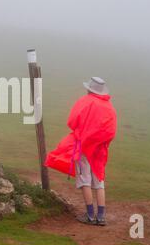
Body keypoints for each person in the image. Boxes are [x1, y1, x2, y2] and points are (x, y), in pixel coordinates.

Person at [45, 77, 117, 226]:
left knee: (85, 179)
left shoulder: (85, 101)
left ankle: (90, 215)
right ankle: (101, 216)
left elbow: (72, 121)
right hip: (100, 149)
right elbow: (111, 131)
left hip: (84, 146)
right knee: (99, 179)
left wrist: (84, 133)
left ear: (89, 89)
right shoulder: (109, 107)